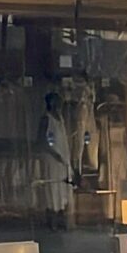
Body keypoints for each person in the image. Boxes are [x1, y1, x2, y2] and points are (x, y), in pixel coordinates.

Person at [40, 91, 75, 231]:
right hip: (53, 159)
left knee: (62, 188)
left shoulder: (60, 118)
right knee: (53, 189)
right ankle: (52, 221)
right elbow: (42, 141)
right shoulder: (46, 119)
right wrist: (55, 155)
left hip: (62, 160)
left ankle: (61, 219)